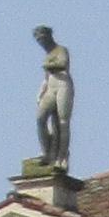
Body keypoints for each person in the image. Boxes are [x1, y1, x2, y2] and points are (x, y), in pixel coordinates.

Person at [32, 27, 75, 172]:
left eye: (42, 38)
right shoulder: (47, 55)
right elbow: (46, 78)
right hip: (51, 87)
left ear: (49, 36)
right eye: (38, 40)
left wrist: (49, 65)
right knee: (40, 118)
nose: (41, 42)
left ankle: (62, 157)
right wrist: (40, 92)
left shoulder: (61, 50)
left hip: (63, 85)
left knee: (62, 123)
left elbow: (63, 64)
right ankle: (47, 152)